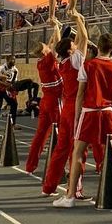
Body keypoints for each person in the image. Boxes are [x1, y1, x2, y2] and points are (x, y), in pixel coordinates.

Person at [53, 31, 112, 208]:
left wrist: (77, 118)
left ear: (98, 47)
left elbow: (80, 94)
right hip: (108, 111)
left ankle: (70, 196)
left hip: (90, 111)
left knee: (77, 152)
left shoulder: (88, 66)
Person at [43, 13, 89, 198]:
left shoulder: (60, 61)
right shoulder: (75, 60)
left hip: (66, 107)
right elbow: (84, 38)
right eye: (73, 45)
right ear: (70, 51)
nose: (75, 44)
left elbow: (60, 45)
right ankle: (76, 190)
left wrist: (58, 26)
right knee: (78, 150)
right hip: (76, 107)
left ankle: (49, 186)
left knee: (61, 149)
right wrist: (79, 19)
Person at [25, 20, 63, 174]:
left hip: (45, 101)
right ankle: (60, 167)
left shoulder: (41, 62)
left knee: (40, 135)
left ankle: (30, 166)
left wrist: (56, 28)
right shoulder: (48, 60)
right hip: (55, 101)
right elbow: (57, 44)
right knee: (62, 134)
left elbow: (51, 43)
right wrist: (56, 28)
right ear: (45, 51)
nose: (49, 44)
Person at [0, 55, 19, 131]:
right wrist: (3, 80)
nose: (13, 61)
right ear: (7, 60)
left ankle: (13, 123)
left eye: (14, 60)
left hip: (8, 88)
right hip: (0, 88)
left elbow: (15, 81)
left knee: (14, 104)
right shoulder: (2, 68)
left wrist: (13, 89)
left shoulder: (15, 70)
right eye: (11, 60)